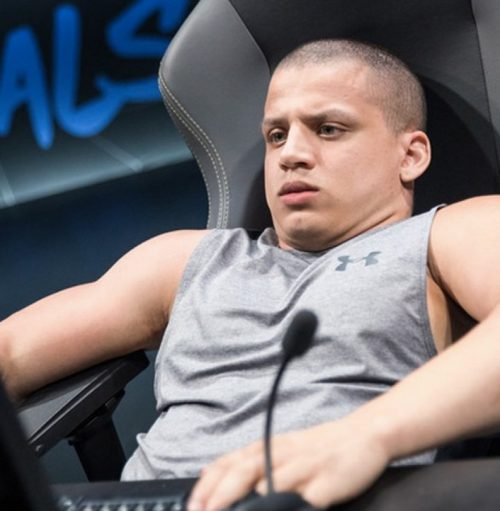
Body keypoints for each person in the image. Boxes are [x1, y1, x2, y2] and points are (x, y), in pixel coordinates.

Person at [1, 38, 500, 511]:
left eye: (329, 129)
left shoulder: (450, 233)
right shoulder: (185, 260)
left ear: (410, 155)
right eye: (276, 135)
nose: (290, 154)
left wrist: (366, 435)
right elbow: (13, 351)